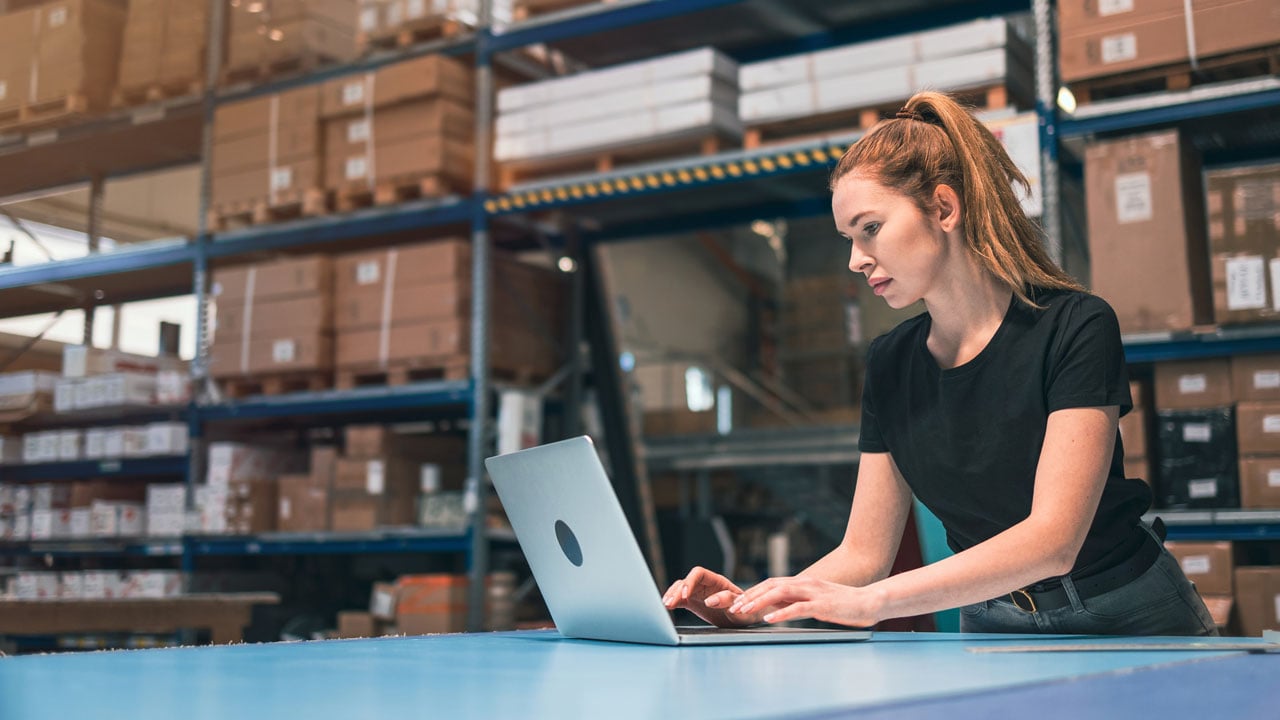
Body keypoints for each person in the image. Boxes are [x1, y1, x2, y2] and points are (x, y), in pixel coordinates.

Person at [662, 91, 1217, 636]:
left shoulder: (1075, 326)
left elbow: (1054, 540)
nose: (856, 260)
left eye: (870, 228)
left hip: (1127, 613)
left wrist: (873, 602)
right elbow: (863, 553)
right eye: (847, 239)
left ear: (944, 208)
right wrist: (758, 606)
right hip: (993, 620)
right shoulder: (889, 362)